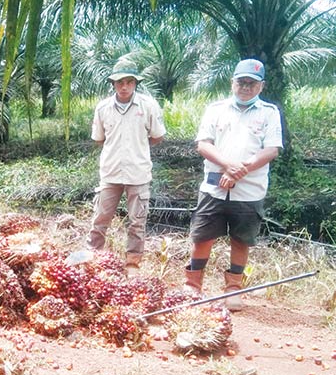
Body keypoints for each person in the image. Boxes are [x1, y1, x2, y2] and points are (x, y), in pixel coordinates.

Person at [185, 59, 283, 311]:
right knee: (203, 236)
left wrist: (240, 171)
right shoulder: (216, 109)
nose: (246, 87)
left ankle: (233, 289)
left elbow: (271, 150)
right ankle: (193, 286)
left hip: (249, 190)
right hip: (214, 187)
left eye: (252, 83)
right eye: (241, 82)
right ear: (233, 83)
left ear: (261, 86)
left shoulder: (269, 113)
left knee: (241, 240)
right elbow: (203, 144)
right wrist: (228, 165)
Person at [86, 59, 166, 274]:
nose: (124, 87)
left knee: (137, 222)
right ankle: (94, 258)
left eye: (129, 82)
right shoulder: (103, 108)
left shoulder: (148, 106)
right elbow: (99, 138)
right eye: (120, 82)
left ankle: (132, 263)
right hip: (110, 172)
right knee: (101, 218)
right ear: (113, 83)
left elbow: (157, 136)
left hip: (138, 173)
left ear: (135, 84)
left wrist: (137, 147)